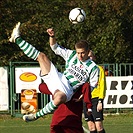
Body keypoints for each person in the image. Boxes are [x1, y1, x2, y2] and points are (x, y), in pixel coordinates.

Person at [9, 22, 99, 122]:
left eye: (82, 53)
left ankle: (35, 116)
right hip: (58, 77)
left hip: (68, 89)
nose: (80, 55)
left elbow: (93, 85)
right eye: (78, 53)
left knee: (59, 98)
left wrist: (83, 94)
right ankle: (17, 38)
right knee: (41, 56)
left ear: (88, 52)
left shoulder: (94, 68)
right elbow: (55, 47)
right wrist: (52, 36)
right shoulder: (72, 54)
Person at [83, 50, 106, 133]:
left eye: (91, 57)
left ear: (94, 58)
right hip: (86, 100)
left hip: (95, 99)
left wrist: (100, 101)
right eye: (87, 57)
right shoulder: (82, 69)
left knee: (98, 125)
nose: (89, 58)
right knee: (91, 126)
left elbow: (102, 85)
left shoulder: (99, 69)